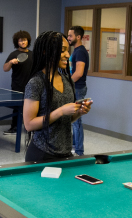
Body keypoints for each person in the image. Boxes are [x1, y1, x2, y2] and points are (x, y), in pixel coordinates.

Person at [24, 31, 92, 163]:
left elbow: (66, 119)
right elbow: (29, 124)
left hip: (65, 153)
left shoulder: (68, 80)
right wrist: (61, 111)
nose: (67, 55)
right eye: (62, 51)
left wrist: (78, 112)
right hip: (42, 154)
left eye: (68, 50)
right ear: (45, 52)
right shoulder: (36, 82)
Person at [3, 30, 33, 135]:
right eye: (20, 41)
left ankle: (31, 127)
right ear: (17, 42)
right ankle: (14, 128)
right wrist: (11, 62)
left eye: (24, 40)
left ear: (27, 41)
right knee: (16, 108)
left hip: (31, 86)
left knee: (32, 108)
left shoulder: (33, 54)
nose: (22, 42)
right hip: (17, 86)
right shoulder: (14, 54)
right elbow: (5, 69)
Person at [67, 26, 89, 156]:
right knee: (73, 119)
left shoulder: (80, 51)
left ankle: (79, 151)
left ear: (78, 37)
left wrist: (66, 84)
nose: (68, 38)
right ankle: (74, 145)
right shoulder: (76, 51)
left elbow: (79, 73)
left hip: (78, 88)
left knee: (76, 120)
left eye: (70, 36)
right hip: (75, 87)